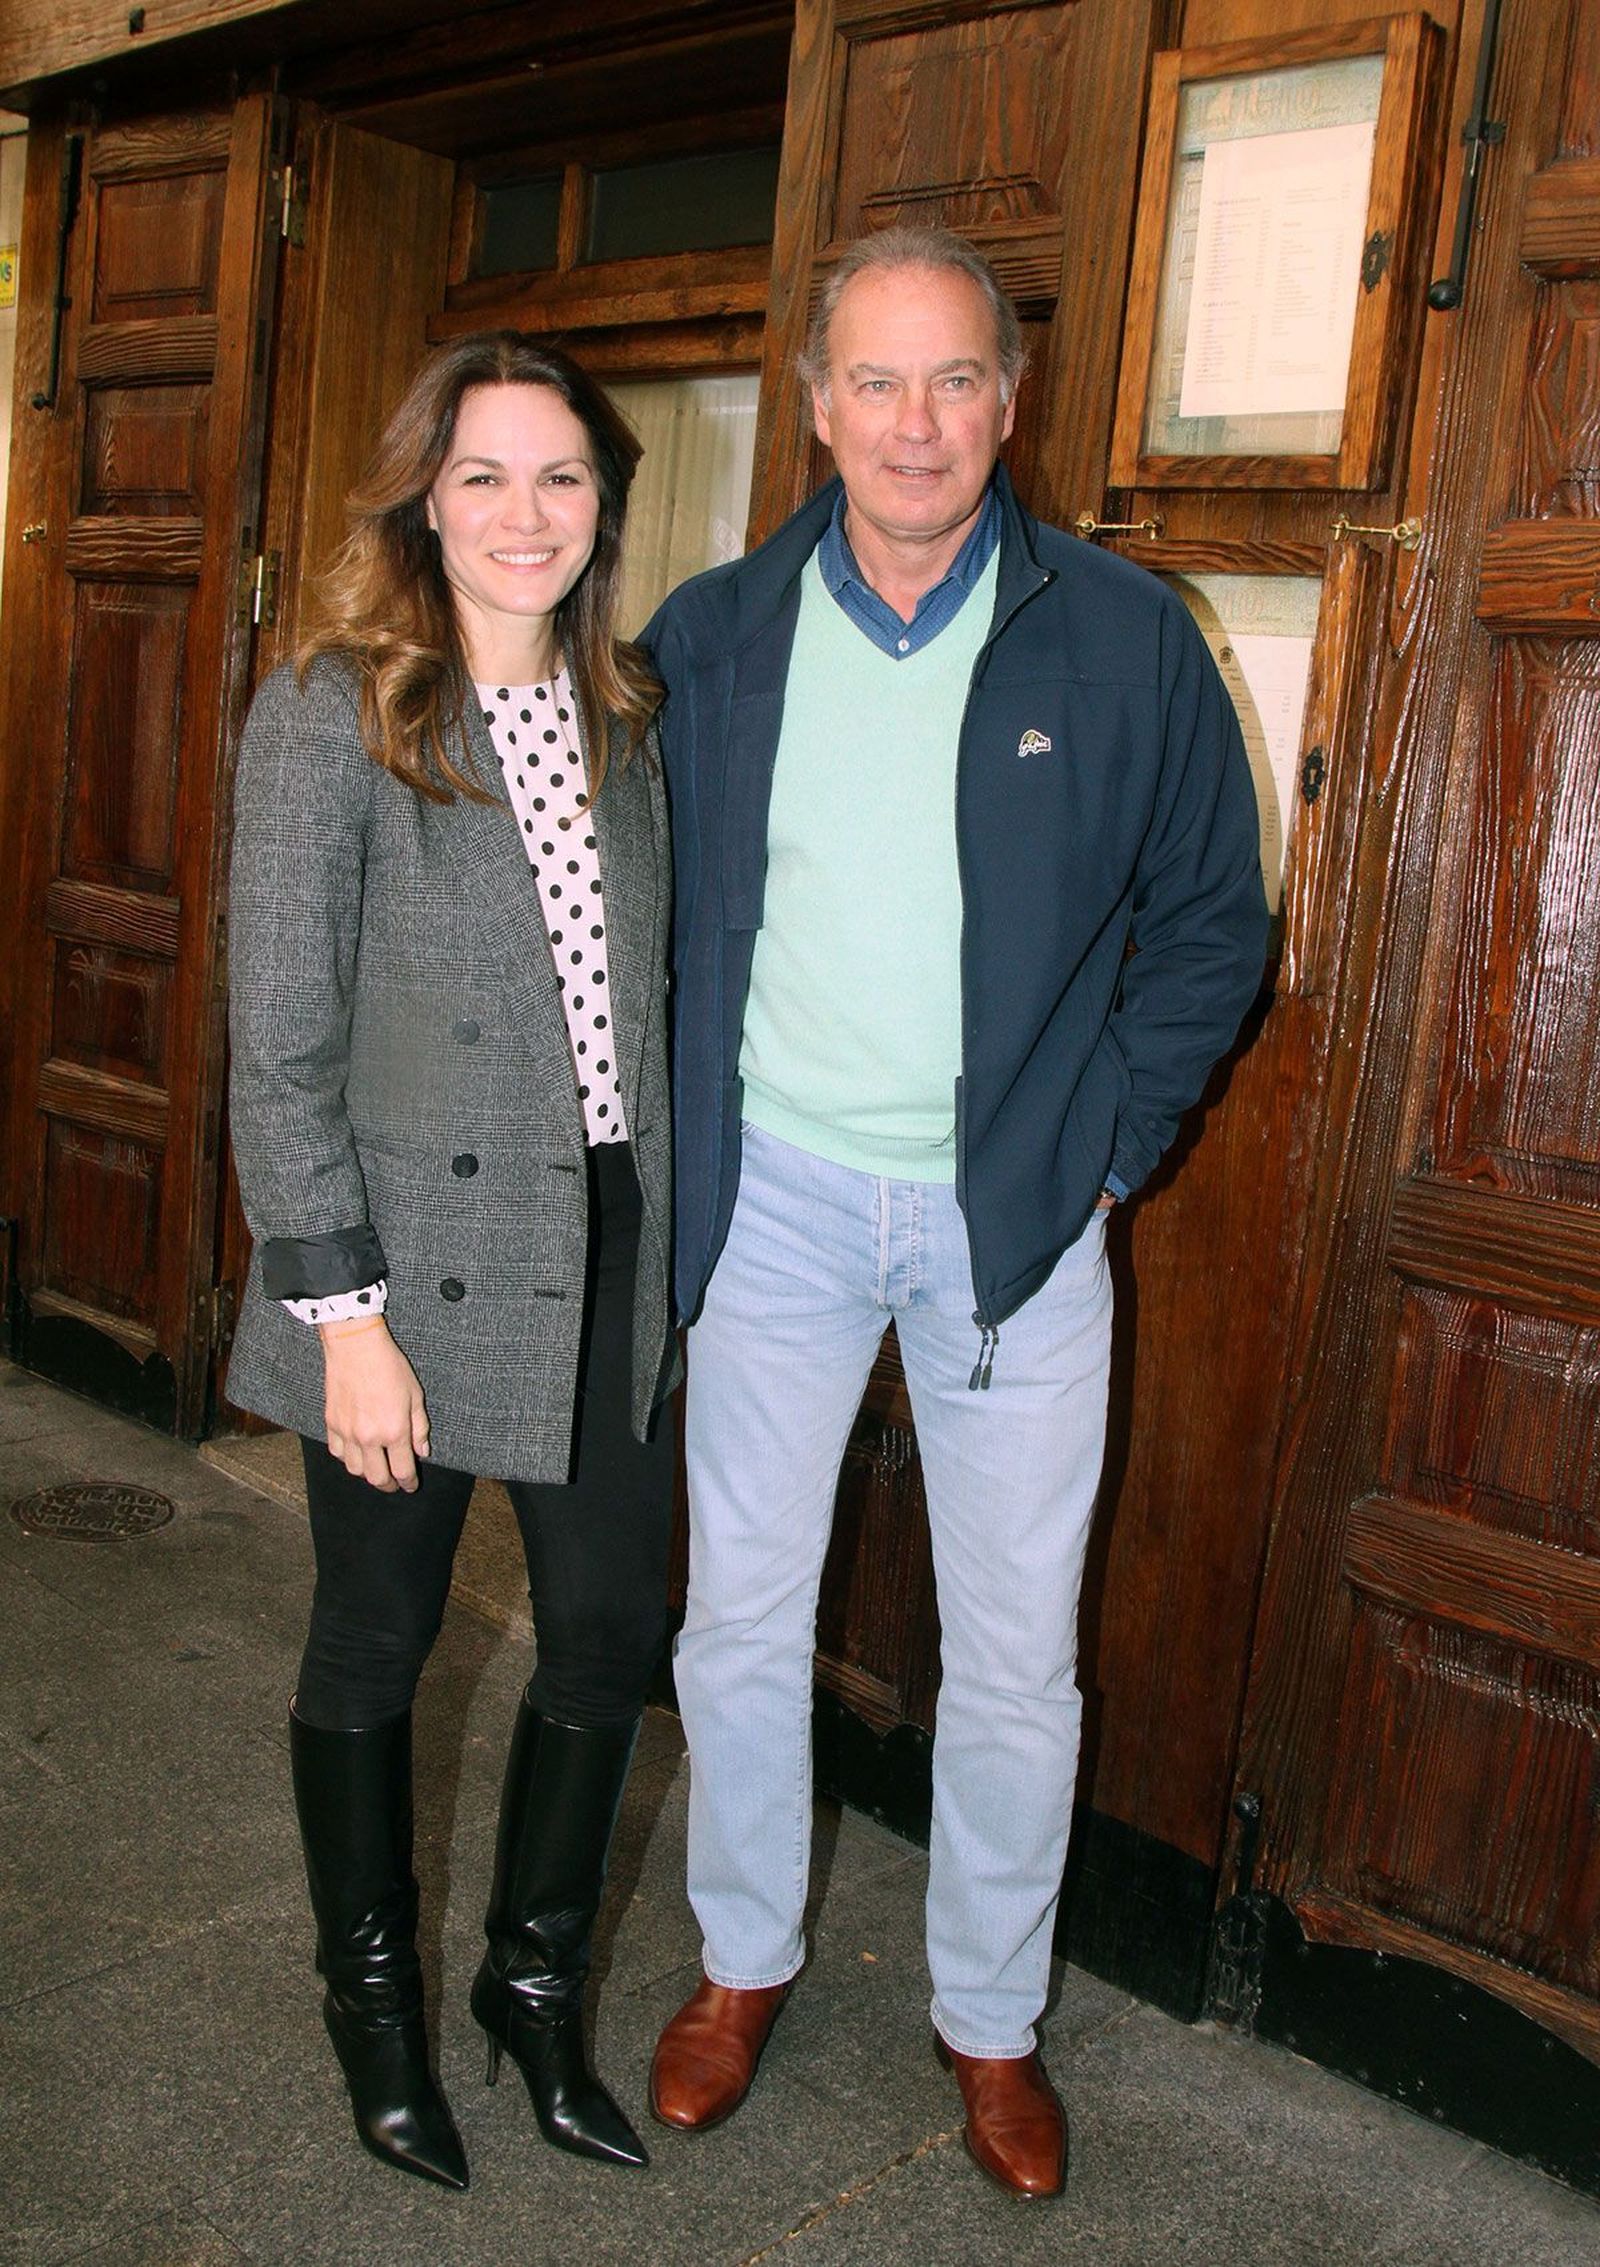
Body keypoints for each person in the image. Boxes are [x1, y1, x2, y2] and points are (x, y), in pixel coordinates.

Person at [643, 228, 1267, 2199]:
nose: (912, 423)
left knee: (1013, 1655)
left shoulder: (1124, 635)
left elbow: (1207, 924)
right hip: (775, 1199)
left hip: (1014, 1212)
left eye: (951, 382)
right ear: (817, 404)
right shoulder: (711, 635)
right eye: (872, 382)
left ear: (1008, 401)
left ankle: (987, 2021)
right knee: (739, 1617)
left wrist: (1105, 1151)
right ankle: (741, 1960)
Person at [226, 333, 676, 2189]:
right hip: (404, 1264)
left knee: (606, 1634)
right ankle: (379, 2011)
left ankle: (535, 1993)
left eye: (560, 477)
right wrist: (342, 1315)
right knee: (377, 1641)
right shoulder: (336, 708)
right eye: (484, 474)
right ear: (424, 493)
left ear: (603, 506)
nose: (523, 513)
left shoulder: (634, 717)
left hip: (610, 1242)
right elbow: (279, 1041)